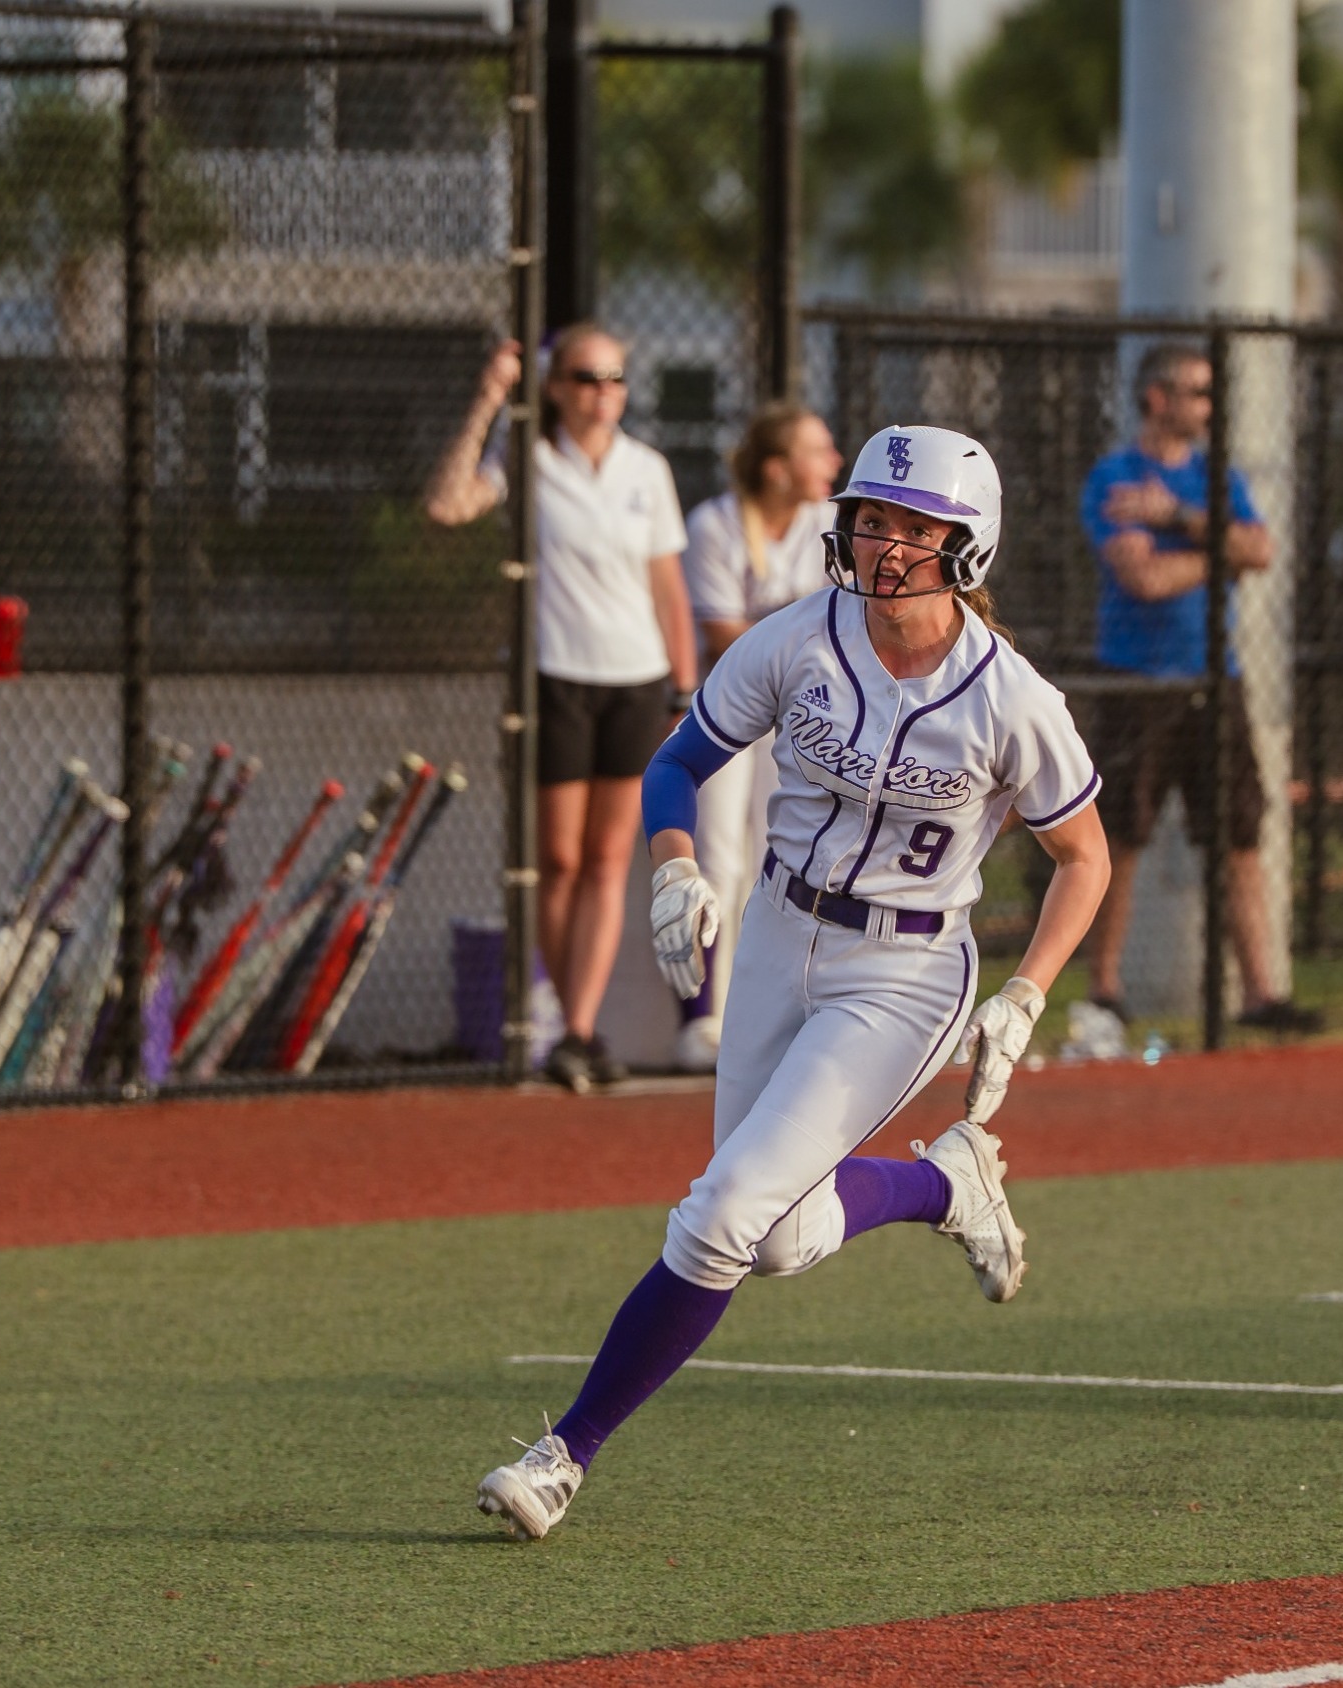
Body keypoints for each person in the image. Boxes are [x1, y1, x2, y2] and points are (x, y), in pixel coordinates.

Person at [476, 424, 1111, 1539]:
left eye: (915, 526)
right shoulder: (799, 638)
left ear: (969, 543)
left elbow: (1084, 856)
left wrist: (1029, 990)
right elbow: (677, 762)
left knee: (719, 1213)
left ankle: (563, 1452)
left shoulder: (1011, 697)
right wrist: (676, 865)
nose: (885, 543)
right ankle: (945, 1183)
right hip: (776, 931)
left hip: (904, 970)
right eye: (872, 517)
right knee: (769, 1239)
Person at [426, 324, 695, 1091]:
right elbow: (447, 504)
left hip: (636, 680)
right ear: (554, 386)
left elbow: (667, 587)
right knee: (562, 860)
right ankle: (559, 1008)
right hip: (557, 680)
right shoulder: (530, 460)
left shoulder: (647, 469)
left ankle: (580, 1028)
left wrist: (683, 690)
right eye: (584, 377)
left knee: (612, 861)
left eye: (614, 378)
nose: (602, 392)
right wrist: (488, 400)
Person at [1078, 343, 1319, 1035]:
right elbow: (1144, 579)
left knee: (1240, 834)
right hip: (1138, 683)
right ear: (1155, 397)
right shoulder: (1115, 478)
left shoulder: (1216, 477)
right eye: (1192, 392)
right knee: (1120, 835)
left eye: (1211, 393)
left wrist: (1178, 521)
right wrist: (1221, 553)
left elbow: (1262, 550)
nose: (1204, 407)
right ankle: (1104, 991)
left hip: (1217, 681)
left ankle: (1262, 995)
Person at [669, 402, 844, 1071]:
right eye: (816, 450)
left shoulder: (829, 526)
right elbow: (725, 638)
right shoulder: (714, 523)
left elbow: (837, 630)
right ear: (777, 469)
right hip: (728, 706)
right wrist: (794, 643)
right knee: (716, 857)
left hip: (803, 715)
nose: (831, 462)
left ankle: (767, 1015)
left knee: (783, 857)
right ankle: (698, 1020)